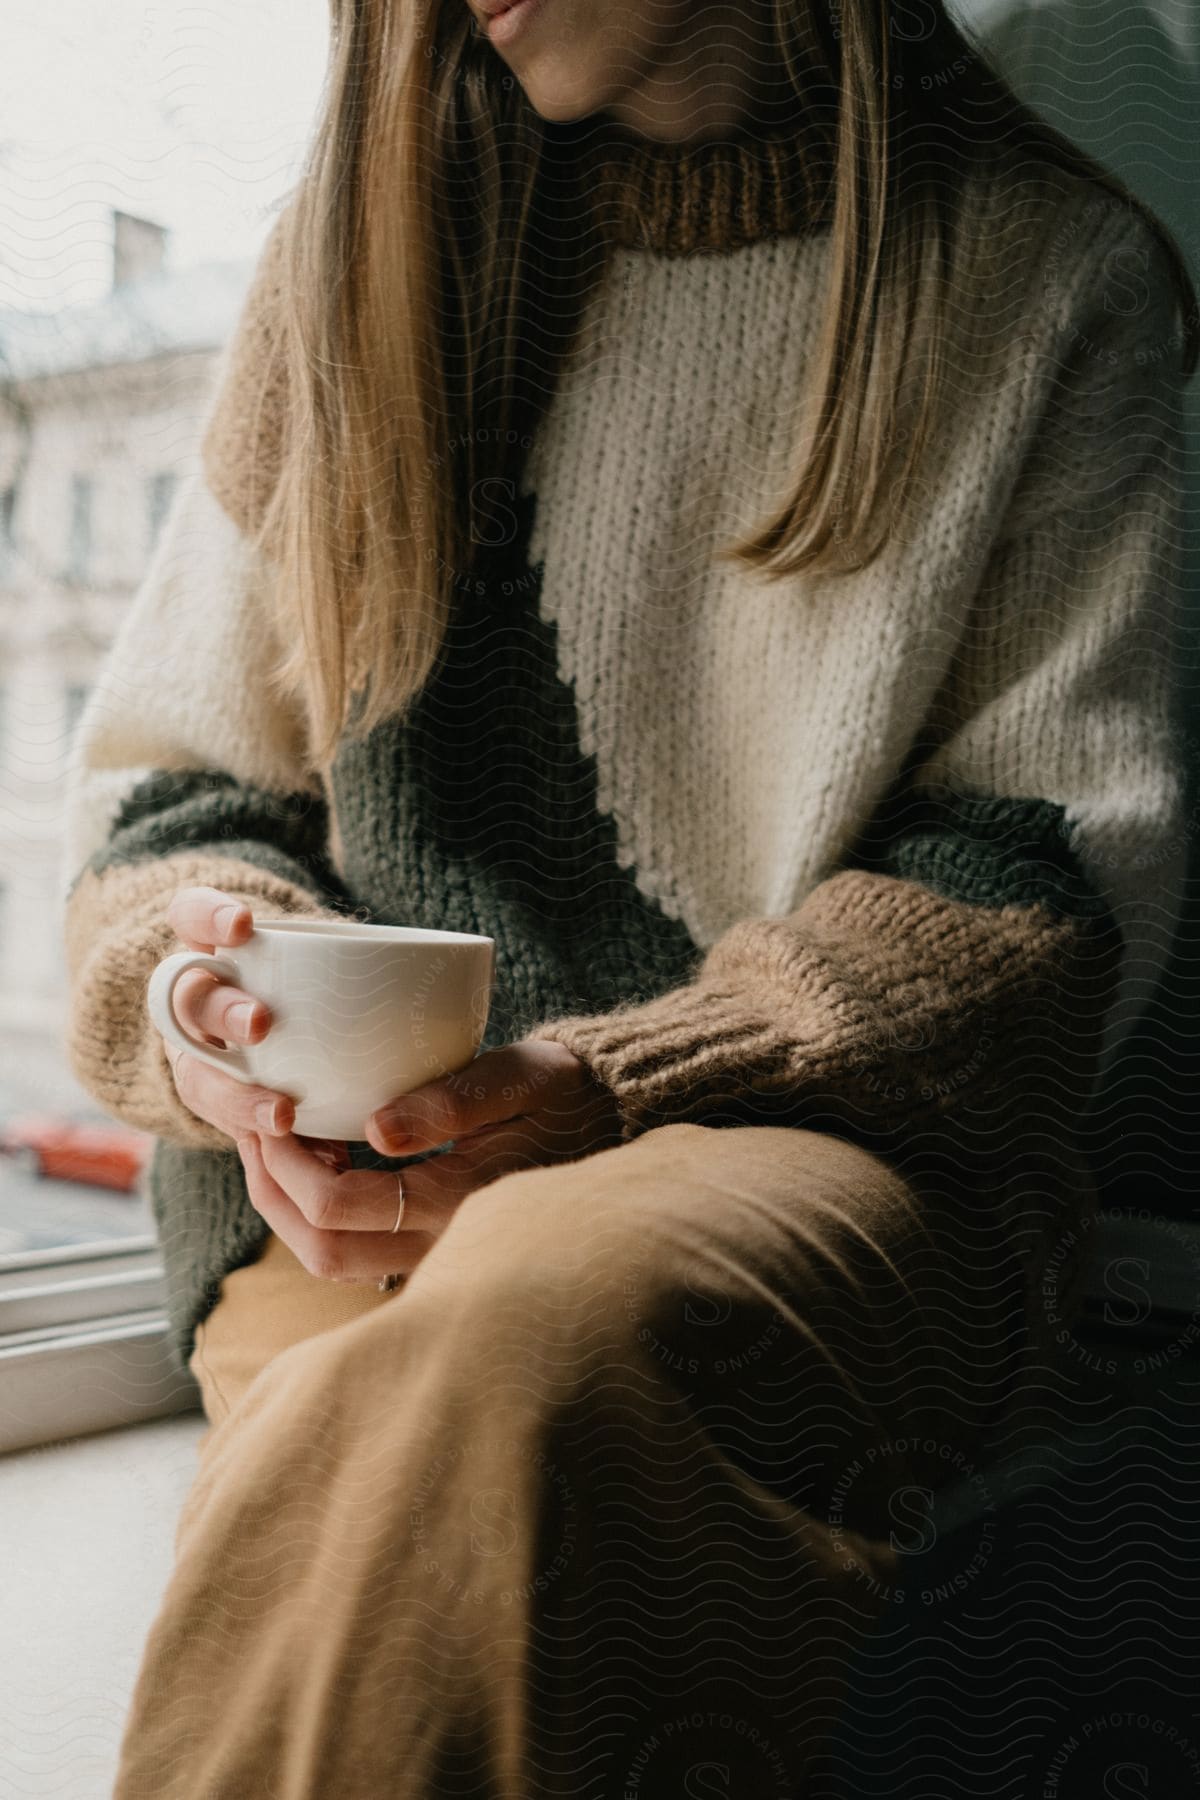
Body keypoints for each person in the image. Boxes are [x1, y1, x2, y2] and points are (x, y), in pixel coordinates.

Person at [59, 0, 1196, 1793]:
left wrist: (613, 1085)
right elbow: (172, 801)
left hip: (835, 1156)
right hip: (331, 1202)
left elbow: (1040, 894)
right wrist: (204, 1018)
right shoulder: (343, 274)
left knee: (527, 1333)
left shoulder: (1048, 278)